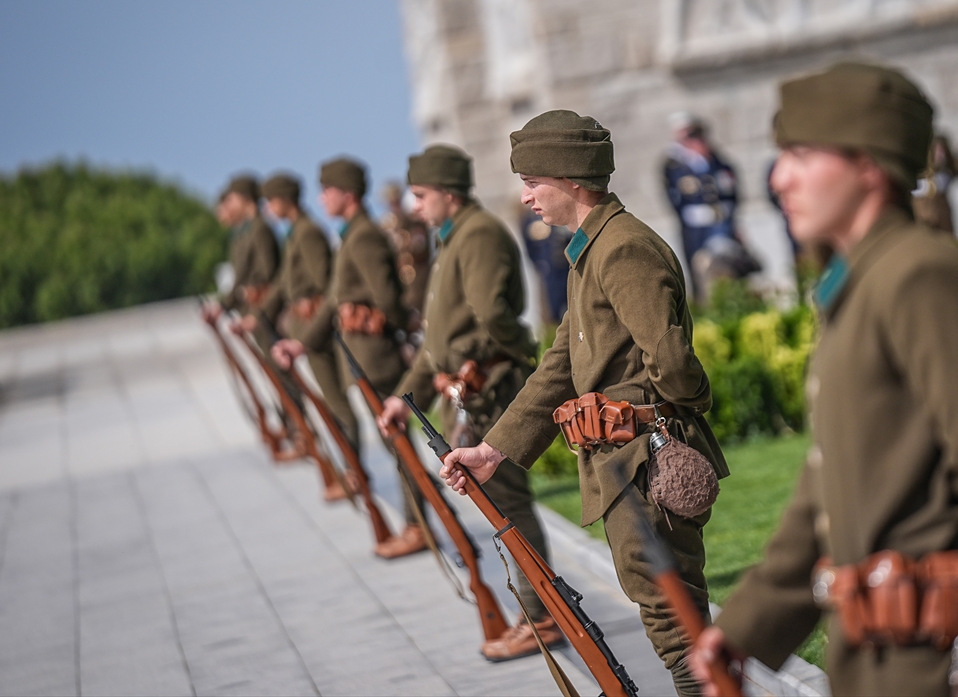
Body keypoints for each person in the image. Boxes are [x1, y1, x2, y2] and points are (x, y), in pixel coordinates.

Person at [692, 61, 958, 696]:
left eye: (799, 154)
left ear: (868, 165)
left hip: (949, 655)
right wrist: (745, 629)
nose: (779, 177)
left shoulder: (920, 274)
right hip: (881, 658)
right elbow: (828, 484)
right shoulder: (859, 284)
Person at [439, 110, 728, 697]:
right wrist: (494, 450)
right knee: (662, 606)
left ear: (571, 180)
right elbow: (560, 366)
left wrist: (674, 414)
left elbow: (670, 363)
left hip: (644, 460)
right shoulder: (591, 251)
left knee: (673, 615)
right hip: (623, 461)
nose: (525, 198)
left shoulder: (622, 250)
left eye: (533, 183)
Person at [376, 144, 562, 661]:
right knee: (500, 502)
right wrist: (402, 396)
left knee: (508, 502)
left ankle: (543, 615)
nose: (415, 206)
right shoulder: (454, 235)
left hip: (487, 387)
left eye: (421, 195)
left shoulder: (477, 234)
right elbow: (437, 339)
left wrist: (508, 354)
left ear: (448, 193)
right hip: (468, 387)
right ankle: (537, 611)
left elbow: (491, 316)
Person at [271, 156, 427, 559]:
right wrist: (303, 342)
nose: (322, 198)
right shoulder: (352, 235)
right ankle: (416, 522)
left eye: (328, 190)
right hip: (363, 355)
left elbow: (389, 299)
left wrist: (376, 320)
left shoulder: (364, 237)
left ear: (348, 194)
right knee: (394, 444)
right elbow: (338, 298)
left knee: (399, 445)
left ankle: (418, 525)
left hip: (376, 355)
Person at [240, 173, 360, 498]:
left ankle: (355, 472)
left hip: (317, 330)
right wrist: (259, 314)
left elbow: (325, 286)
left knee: (338, 404)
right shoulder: (296, 232)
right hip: (305, 328)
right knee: (330, 403)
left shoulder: (307, 233)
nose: (268, 207)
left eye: (272, 200)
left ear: (283, 200)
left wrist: (310, 330)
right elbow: (283, 283)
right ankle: (350, 468)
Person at [661, 112, 742, 301]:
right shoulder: (674, 164)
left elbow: (731, 189)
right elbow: (675, 199)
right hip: (696, 229)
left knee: (729, 268)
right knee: (701, 271)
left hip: (723, 223)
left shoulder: (716, 160)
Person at [203, 174, 280, 346]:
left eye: (232, 199)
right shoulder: (247, 231)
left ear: (245, 198)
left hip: (262, 308)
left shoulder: (259, 229)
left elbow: (267, 272)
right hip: (253, 308)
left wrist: (232, 301)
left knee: (278, 367)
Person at [380, 181, 432, 314]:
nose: (393, 203)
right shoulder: (385, 226)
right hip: (400, 287)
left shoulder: (415, 222)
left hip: (420, 284)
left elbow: (421, 247)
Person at [518, 203, 572, 328]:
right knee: (551, 316)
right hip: (548, 275)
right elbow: (531, 250)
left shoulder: (564, 217)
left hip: (567, 273)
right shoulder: (531, 220)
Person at [911, 134, 958, 234]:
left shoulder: (944, 174)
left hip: (941, 214)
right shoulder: (918, 174)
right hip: (923, 215)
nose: (940, 155)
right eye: (937, 151)